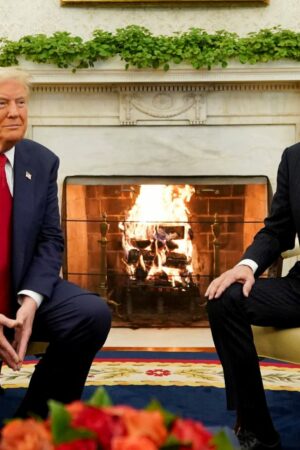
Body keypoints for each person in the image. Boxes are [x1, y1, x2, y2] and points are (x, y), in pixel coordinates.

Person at [0, 67, 111, 420]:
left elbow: (50, 240)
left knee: (89, 314)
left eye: (21, 102)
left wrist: (31, 299)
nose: (15, 112)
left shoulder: (40, 161)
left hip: (19, 289)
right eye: (2, 103)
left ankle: (36, 422)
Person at [204, 144, 300, 449]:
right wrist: (246, 266)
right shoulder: (294, 157)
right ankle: (257, 428)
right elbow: (277, 231)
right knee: (224, 298)